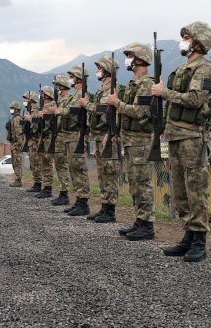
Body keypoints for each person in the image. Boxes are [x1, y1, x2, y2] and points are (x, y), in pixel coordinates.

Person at [152, 22, 211, 261]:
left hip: (193, 136)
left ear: (198, 42)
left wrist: (164, 93)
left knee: (195, 189)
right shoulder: (183, 68)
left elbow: (194, 99)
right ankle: (188, 235)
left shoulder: (204, 68)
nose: (183, 41)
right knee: (180, 189)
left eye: (187, 37)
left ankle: (199, 240)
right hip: (176, 134)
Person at [107, 42, 157, 240]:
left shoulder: (147, 83)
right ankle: (140, 220)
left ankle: (147, 224)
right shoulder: (133, 83)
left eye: (130, 56)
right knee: (134, 182)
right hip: (129, 140)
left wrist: (116, 103)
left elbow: (139, 112)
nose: (127, 59)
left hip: (140, 141)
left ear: (140, 59)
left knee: (142, 183)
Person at [88, 56, 122, 223]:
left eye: (99, 68)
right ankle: (104, 207)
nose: (97, 71)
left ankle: (110, 210)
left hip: (108, 136)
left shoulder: (112, 89)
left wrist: (86, 104)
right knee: (102, 174)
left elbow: (102, 110)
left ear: (107, 70)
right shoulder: (103, 89)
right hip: (99, 136)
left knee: (109, 173)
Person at [61, 67, 92, 216]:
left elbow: (70, 111)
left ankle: (83, 203)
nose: (71, 79)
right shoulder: (76, 94)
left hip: (76, 135)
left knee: (79, 169)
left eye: (72, 76)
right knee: (73, 169)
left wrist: (57, 111)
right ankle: (79, 200)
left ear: (79, 78)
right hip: (71, 136)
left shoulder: (82, 94)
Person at [45, 74, 75, 207]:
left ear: (62, 86)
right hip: (58, 136)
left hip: (64, 136)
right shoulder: (60, 100)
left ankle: (65, 194)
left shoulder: (69, 99)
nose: (56, 88)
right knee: (58, 164)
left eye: (57, 85)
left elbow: (70, 113)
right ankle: (63, 193)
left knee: (62, 165)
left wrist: (56, 110)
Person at [24, 94, 44, 194]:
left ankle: (39, 183)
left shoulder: (36, 111)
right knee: (33, 163)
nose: (24, 101)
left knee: (37, 163)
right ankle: (36, 183)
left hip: (36, 141)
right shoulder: (28, 111)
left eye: (26, 99)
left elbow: (38, 124)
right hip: (30, 140)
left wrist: (30, 119)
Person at [5, 101, 25, 187]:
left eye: (12, 108)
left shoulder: (17, 119)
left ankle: (18, 180)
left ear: (16, 109)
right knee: (14, 162)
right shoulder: (14, 118)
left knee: (17, 162)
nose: (11, 110)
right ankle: (17, 179)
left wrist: (18, 144)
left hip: (16, 144)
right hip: (14, 143)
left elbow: (19, 133)